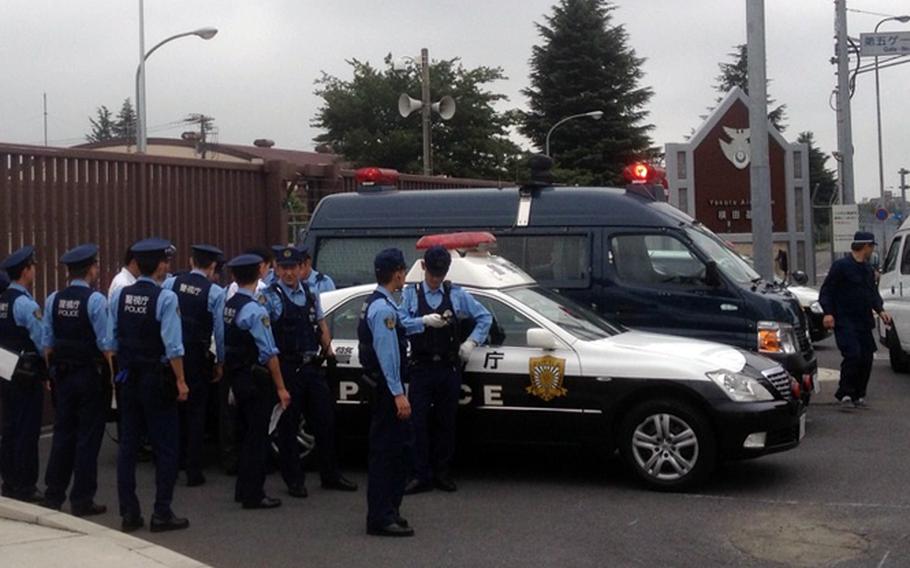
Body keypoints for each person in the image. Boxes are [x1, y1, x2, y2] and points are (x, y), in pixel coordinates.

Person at [261, 246, 356, 499]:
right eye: (284, 268)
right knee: (288, 426)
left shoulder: (312, 294)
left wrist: (330, 353)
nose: (289, 273)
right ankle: (294, 479)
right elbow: (265, 334)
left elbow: (321, 325)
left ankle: (330, 475)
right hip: (288, 367)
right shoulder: (270, 297)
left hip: (311, 366)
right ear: (277, 269)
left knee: (325, 421)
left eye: (293, 268)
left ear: (301, 268)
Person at [111, 238, 190, 533]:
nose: (168, 267)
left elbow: (113, 337)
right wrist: (181, 381)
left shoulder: (120, 295)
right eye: (166, 262)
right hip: (157, 380)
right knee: (166, 446)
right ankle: (162, 512)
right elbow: (173, 347)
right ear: (158, 265)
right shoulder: (165, 298)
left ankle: (129, 514)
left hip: (129, 378)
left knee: (128, 447)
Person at [401, 245, 492, 494]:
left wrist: (471, 342)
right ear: (423, 268)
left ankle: (442, 472)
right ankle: (420, 474)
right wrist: (422, 321)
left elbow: (485, 317)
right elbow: (400, 322)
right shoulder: (411, 294)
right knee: (417, 423)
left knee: (446, 422)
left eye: (440, 274)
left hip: (448, 368)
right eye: (432, 274)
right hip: (421, 366)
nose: (435, 279)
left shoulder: (456, 294)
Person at [40, 244, 113, 517]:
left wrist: (51, 375)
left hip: (62, 375)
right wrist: (113, 378)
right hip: (89, 376)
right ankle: (82, 499)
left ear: (69, 272)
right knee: (87, 439)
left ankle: (53, 494)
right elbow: (106, 344)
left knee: (62, 434)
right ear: (91, 269)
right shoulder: (96, 301)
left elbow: (47, 343)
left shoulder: (53, 299)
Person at [357, 248, 421, 537]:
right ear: (397, 273)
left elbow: (402, 329)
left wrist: (424, 322)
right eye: (403, 271)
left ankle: (391, 510)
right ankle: (381, 517)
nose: (404, 276)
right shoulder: (382, 309)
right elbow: (388, 356)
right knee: (387, 453)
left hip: (386, 388)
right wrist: (398, 393)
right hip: (386, 390)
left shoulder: (384, 303)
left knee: (399, 450)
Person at [223, 254, 291, 509]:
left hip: (238, 376)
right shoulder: (255, 309)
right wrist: (281, 387)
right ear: (260, 274)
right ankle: (254, 493)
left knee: (244, 433)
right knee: (257, 436)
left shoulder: (231, 304)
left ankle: (243, 489)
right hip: (255, 379)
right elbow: (269, 353)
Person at [163, 245, 225, 487]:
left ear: (190, 261)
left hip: (173, 356)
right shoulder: (215, 292)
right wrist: (221, 361)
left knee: (174, 409)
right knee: (196, 412)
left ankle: (173, 461)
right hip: (197, 356)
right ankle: (193, 469)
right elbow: (220, 332)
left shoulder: (171, 284)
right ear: (211, 267)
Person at [819, 231, 891, 408]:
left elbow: (872, 294)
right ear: (865, 246)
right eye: (872, 246)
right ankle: (845, 394)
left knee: (866, 357)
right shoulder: (841, 267)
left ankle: (859, 395)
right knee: (853, 354)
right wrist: (828, 313)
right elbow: (826, 291)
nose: (872, 250)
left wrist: (881, 311)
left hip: (864, 321)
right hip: (844, 320)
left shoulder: (867, 269)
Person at [0, 246, 47, 503]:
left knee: (9, 426)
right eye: (33, 266)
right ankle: (26, 485)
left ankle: (8, 480)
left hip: (4, 367)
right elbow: (42, 343)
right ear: (26, 271)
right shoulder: (25, 304)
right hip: (26, 373)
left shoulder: (2, 300)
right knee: (28, 428)